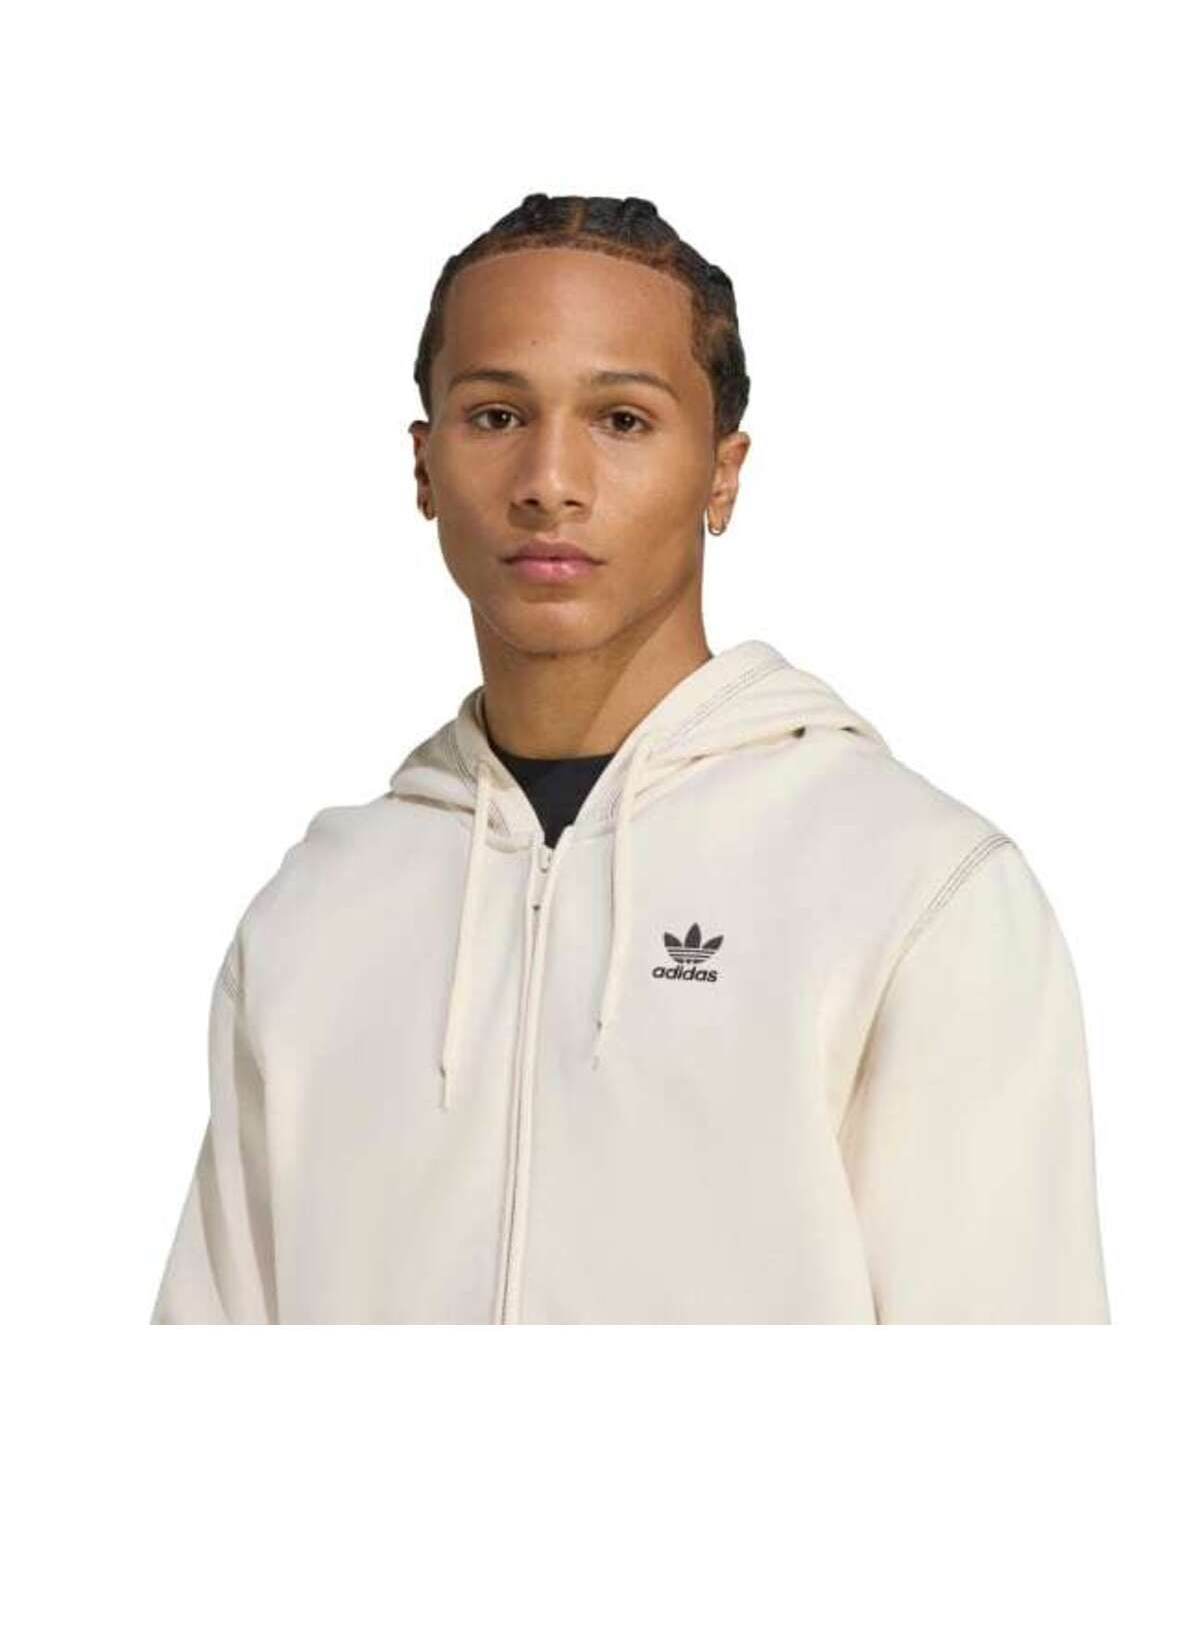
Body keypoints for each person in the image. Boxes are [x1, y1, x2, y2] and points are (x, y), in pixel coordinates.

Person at [150, 192, 1110, 1325]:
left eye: (621, 419)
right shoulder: (316, 911)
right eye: (496, 415)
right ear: (423, 465)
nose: (549, 480)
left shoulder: (915, 886)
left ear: (722, 472)